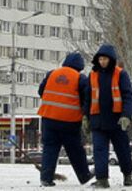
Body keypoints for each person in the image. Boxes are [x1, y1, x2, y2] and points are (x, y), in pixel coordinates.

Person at [37, 52, 93, 187]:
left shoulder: (52, 74)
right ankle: (84, 176)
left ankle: (46, 178)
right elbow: (87, 99)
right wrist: (86, 115)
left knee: (50, 148)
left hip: (48, 118)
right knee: (75, 150)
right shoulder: (80, 78)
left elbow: (40, 91)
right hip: (69, 120)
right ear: (80, 66)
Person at [87, 44, 132, 188]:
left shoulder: (120, 74)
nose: (102, 62)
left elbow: (128, 96)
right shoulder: (92, 75)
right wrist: (85, 116)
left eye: (105, 59)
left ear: (111, 60)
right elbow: (87, 98)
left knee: (123, 150)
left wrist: (126, 115)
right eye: (100, 59)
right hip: (98, 121)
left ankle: (127, 175)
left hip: (117, 121)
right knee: (99, 151)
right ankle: (102, 179)